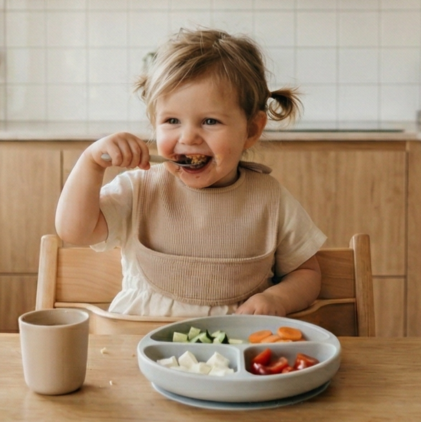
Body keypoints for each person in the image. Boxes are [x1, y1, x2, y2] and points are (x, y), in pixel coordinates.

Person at [55, 28, 326, 317]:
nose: (189, 137)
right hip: (138, 348)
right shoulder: (139, 189)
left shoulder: (270, 199)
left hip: (234, 352)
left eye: (210, 121)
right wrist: (91, 163)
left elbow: (307, 273)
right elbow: (75, 231)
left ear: (251, 130)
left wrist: (278, 299)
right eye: (172, 120)